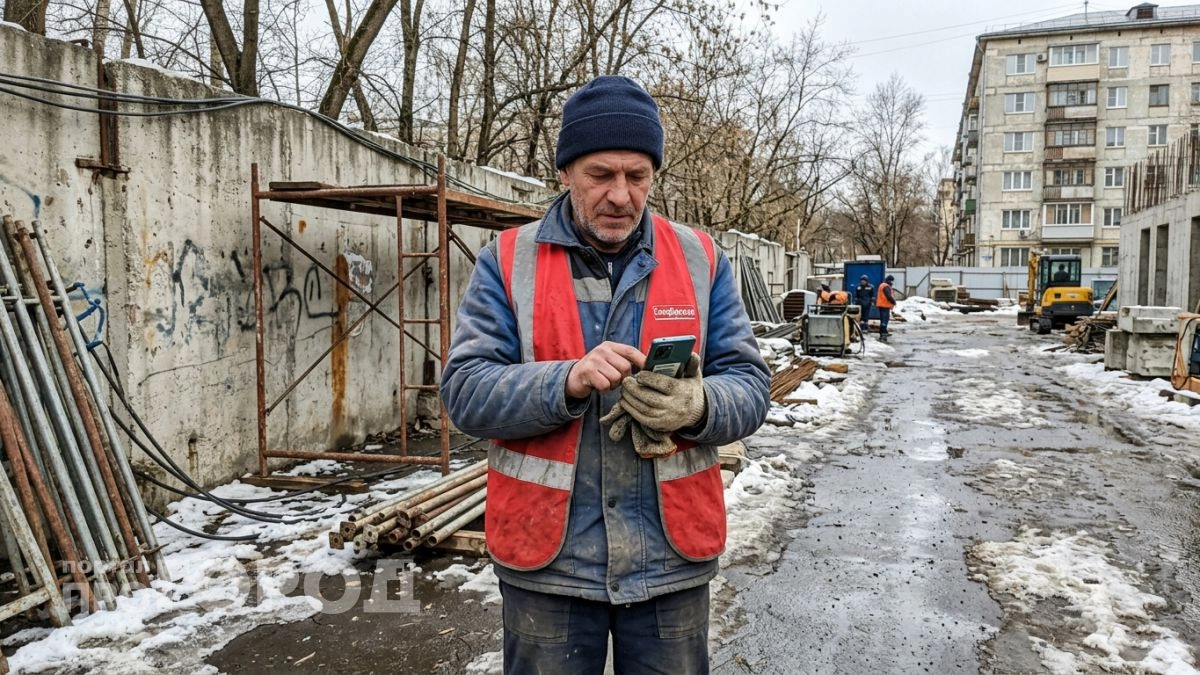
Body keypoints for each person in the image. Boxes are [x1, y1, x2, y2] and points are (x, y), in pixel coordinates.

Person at [440, 75, 771, 674]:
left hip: (670, 557)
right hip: (551, 561)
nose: (621, 195)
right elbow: (464, 391)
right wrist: (564, 380)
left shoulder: (701, 258)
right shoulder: (508, 260)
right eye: (601, 175)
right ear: (565, 172)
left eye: (637, 176)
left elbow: (750, 385)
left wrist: (696, 407)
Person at [876, 274, 897, 341]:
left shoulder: (883, 285)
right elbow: (888, 296)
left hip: (883, 305)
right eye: (892, 281)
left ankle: (884, 332)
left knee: (884, 319)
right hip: (884, 305)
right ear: (889, 280)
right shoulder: (886, 286)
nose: (892, 283)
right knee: (884, 320)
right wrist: (893, 301)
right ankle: (883, 334)